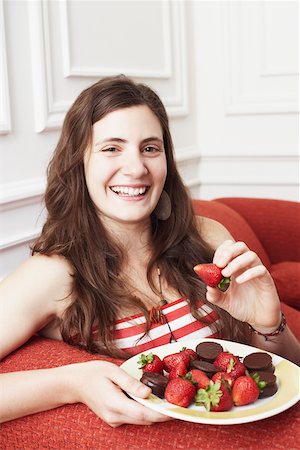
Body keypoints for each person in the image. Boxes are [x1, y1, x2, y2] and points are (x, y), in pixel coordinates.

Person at [0, 76, 299, 427]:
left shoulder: (208, 235)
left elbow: (285, 373)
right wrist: (71, 382)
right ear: (79, 162)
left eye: (150, 148)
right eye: (112, 148)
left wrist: (269, 323)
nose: (136, 167)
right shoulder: (53, 273)